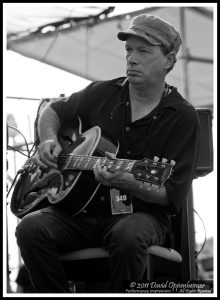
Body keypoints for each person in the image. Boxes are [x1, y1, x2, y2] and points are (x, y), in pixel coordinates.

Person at [15, 14, 201, 293]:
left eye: (143, 51)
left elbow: (168, 193)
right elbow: (52, 110)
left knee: (128, 236)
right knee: (30, 229)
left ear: (169, 60)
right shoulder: (102, 92)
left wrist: (126, 181)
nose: (132, 59)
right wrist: (47, 141)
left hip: (140, 215)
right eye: (129, 50)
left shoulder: (182, 117)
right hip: (80, 213)